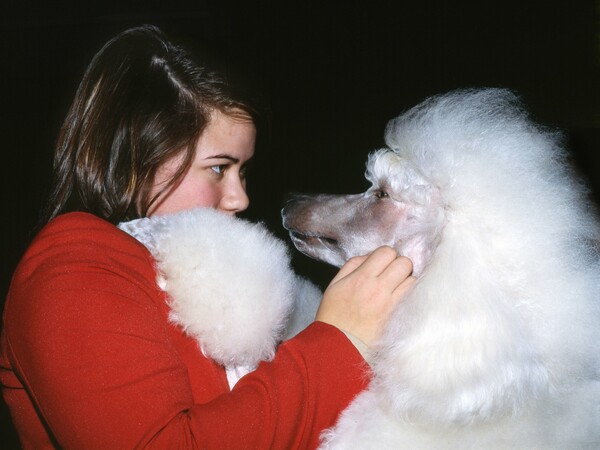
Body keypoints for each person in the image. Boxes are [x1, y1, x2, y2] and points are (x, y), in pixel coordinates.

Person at [0, 25, 415, 449]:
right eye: (219, 168)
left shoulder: (199, 277)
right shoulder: (72, 265)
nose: (239, 198)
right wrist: (338, 341)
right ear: (135, 156)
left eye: (243, 171)